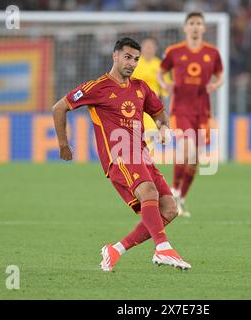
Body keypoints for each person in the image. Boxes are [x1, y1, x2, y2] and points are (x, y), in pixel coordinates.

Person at [52, 37, 191, 271]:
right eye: (127, 57)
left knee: (169, 209)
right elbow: (59, 107)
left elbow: (158, 112)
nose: (132, 63)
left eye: (135, 59)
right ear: (115, 56)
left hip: (142, 155)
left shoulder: (141, 87)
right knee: (149, 191)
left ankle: (115, 249)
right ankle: (163, 248)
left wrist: (163, 126)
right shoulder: (97, 87)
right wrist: (63, 144)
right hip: (118, 155)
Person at [158, 12, 224, 217]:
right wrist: (165, 85)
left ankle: (181, 198)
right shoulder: (174, 51)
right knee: (186, 148)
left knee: (195, 158)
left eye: (199, 24)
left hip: (203, 111)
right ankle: (174, 192)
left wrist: (216, 84)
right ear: (185, 28)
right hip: (181, 109)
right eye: (192, 23)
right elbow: (161, 73)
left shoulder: (212, 53)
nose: (195, 27)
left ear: (204, 28)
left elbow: (220, 75)